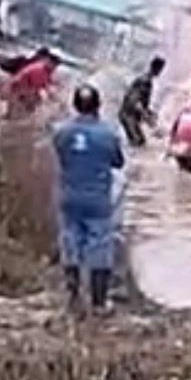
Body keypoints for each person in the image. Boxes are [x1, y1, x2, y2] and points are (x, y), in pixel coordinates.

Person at [52, 84, 125, 314]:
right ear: (98, 106)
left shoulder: (62, 132)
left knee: (71, 243)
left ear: (75, 105)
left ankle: (73, 297)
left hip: (70, 197)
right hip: (98, 201)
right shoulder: (108, 133)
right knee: (100, 247)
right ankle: (99, 303)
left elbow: (61, 155)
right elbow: (118, 161)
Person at [118, 56, 166, 147]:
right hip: (128, 116)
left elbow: (139, 101)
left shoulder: (145, 79)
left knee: (139, 142)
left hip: (127, 114)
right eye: (161, 69)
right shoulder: (145, 81)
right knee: (138, 142)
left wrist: (149, 113)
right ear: (157, 69)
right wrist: (147, 117)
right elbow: (135, 102)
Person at [1, 47, 59, 118]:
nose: (56, 66)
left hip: (18, 88)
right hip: (15, 90)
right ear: (48, 61)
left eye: (57, 64)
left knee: (35, 101)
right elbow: (36, 85)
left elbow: (47, 82)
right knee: (17, 113)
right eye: (55, 64)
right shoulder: (39, 70)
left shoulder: (45, 69)